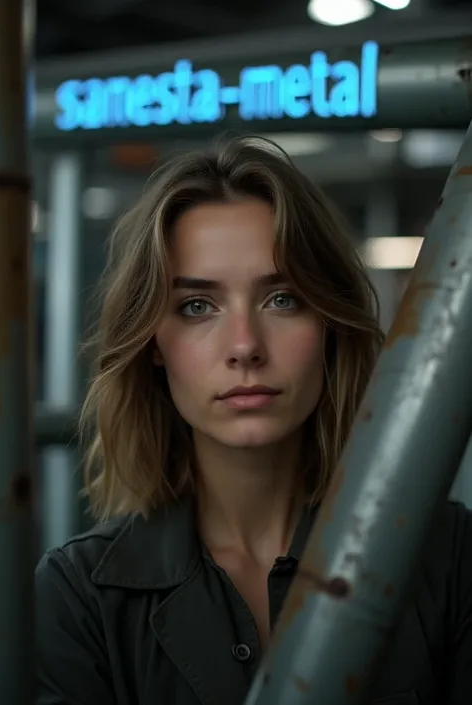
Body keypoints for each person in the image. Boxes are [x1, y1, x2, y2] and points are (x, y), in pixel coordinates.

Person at [36, 134, 472, 705]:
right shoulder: (76, 597)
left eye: (282, 299)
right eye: (197, 306)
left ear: (329, 326)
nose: (244, 346)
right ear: (153, 344)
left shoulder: (449, 554)